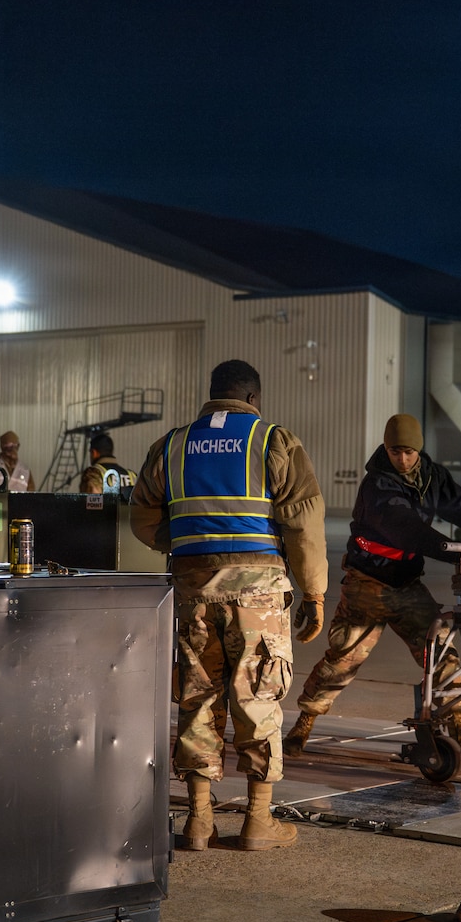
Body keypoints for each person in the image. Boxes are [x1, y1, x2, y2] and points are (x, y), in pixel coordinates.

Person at [131, 360, 326, 851]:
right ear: (252, 399)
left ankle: (199, 821)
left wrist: (189, 546)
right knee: (257, 696)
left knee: (198, 697)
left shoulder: (171, 446)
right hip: (258, 593)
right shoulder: (273, 441)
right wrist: (314, 592)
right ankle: (258, 820)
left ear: (212, 393)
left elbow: (142, 519)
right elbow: (303, 523)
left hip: (193, 590)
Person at [288, 414, 461, 761]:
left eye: (409, 452)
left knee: (442, 653)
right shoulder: (377, 485)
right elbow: (408, 530)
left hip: (407, 584)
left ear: (419, 450)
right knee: (342, 659)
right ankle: (302, 727)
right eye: (395, 451)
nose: (402, 459)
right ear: (386, 449)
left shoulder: (432, 477)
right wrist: (458, 555)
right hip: (367, 585)